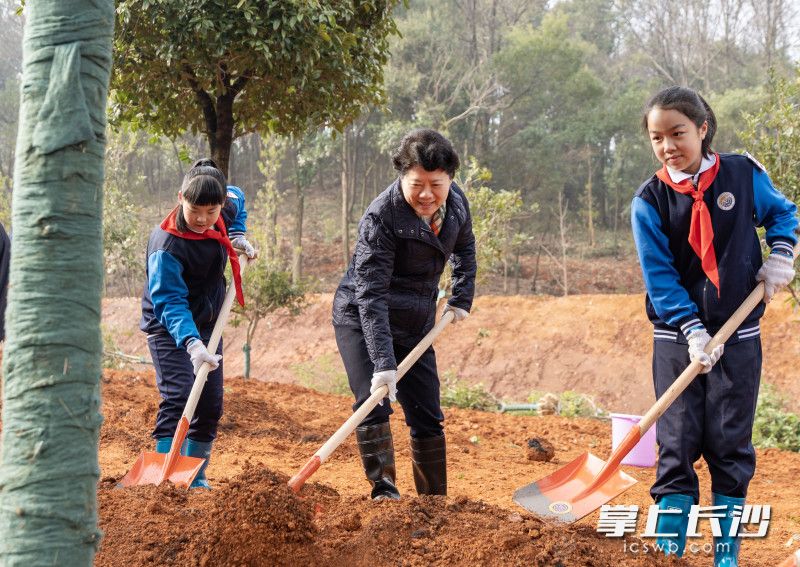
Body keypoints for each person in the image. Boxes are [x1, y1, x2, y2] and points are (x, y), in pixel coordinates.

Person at [632, 86, 797, 565]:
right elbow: (659, 275)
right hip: (675, 339)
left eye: (677, 133)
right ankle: (671, 554)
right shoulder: (650, 199)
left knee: (730, 444)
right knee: (676, 444)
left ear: (703, 129)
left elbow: (783, 213)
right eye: (656, 137)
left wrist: (782, 254)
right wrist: (691, 331)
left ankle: (726, 555)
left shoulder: (744, 176)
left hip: (738, 334)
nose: (667, 146)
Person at [332, 128, 477, 500]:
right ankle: (384, 491)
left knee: (426, 412)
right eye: (417, 184)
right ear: (401, 176)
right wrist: (383, 362)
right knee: (373, 402)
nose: (426, 194)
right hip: (362, 319)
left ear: (450, 180)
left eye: (436, 184)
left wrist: (461, 295)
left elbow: (466, 249)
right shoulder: (381, 216)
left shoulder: (457, 204)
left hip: (415, 322)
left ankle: (433, 500)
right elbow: (371, 293)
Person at [139, 159, 256, 488]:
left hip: (208, 321)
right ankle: (163, 476)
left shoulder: (225, 205)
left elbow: (238, 196)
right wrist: (192, 343)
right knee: (179, 395)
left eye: (211, 211)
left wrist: (236, 233)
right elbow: (169, 301)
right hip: (169, 325)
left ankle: (195, 476)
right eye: (194, 211)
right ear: (180, 198)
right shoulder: (167, 246)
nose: (203, 220)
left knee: (210, 402)